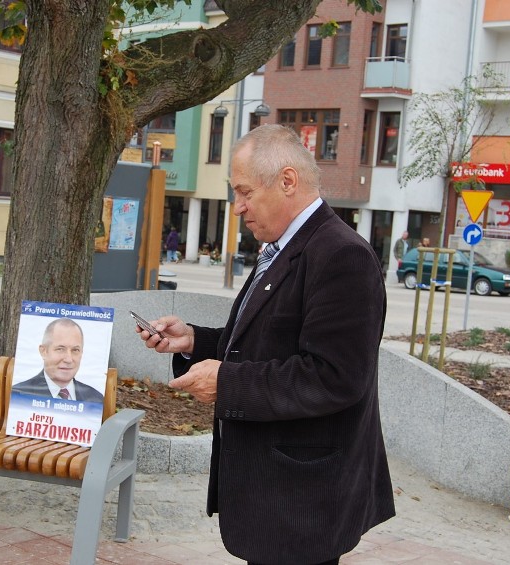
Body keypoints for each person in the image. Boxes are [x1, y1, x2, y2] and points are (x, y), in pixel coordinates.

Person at [135, 125, 394, 565]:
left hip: (303, 500)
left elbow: (336, 377)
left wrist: (228, 385)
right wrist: (194, 342)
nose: (238, 208)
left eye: (245, 192)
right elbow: (265, 344)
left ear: (287, 181)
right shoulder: (286, 246)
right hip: (277, 492)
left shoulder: (341, 255)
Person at [12, 318, 104, 403]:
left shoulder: (95, 398)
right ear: (43, 351)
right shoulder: (20, 395)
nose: (68, 359)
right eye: (60, 349)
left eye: (75, 350)